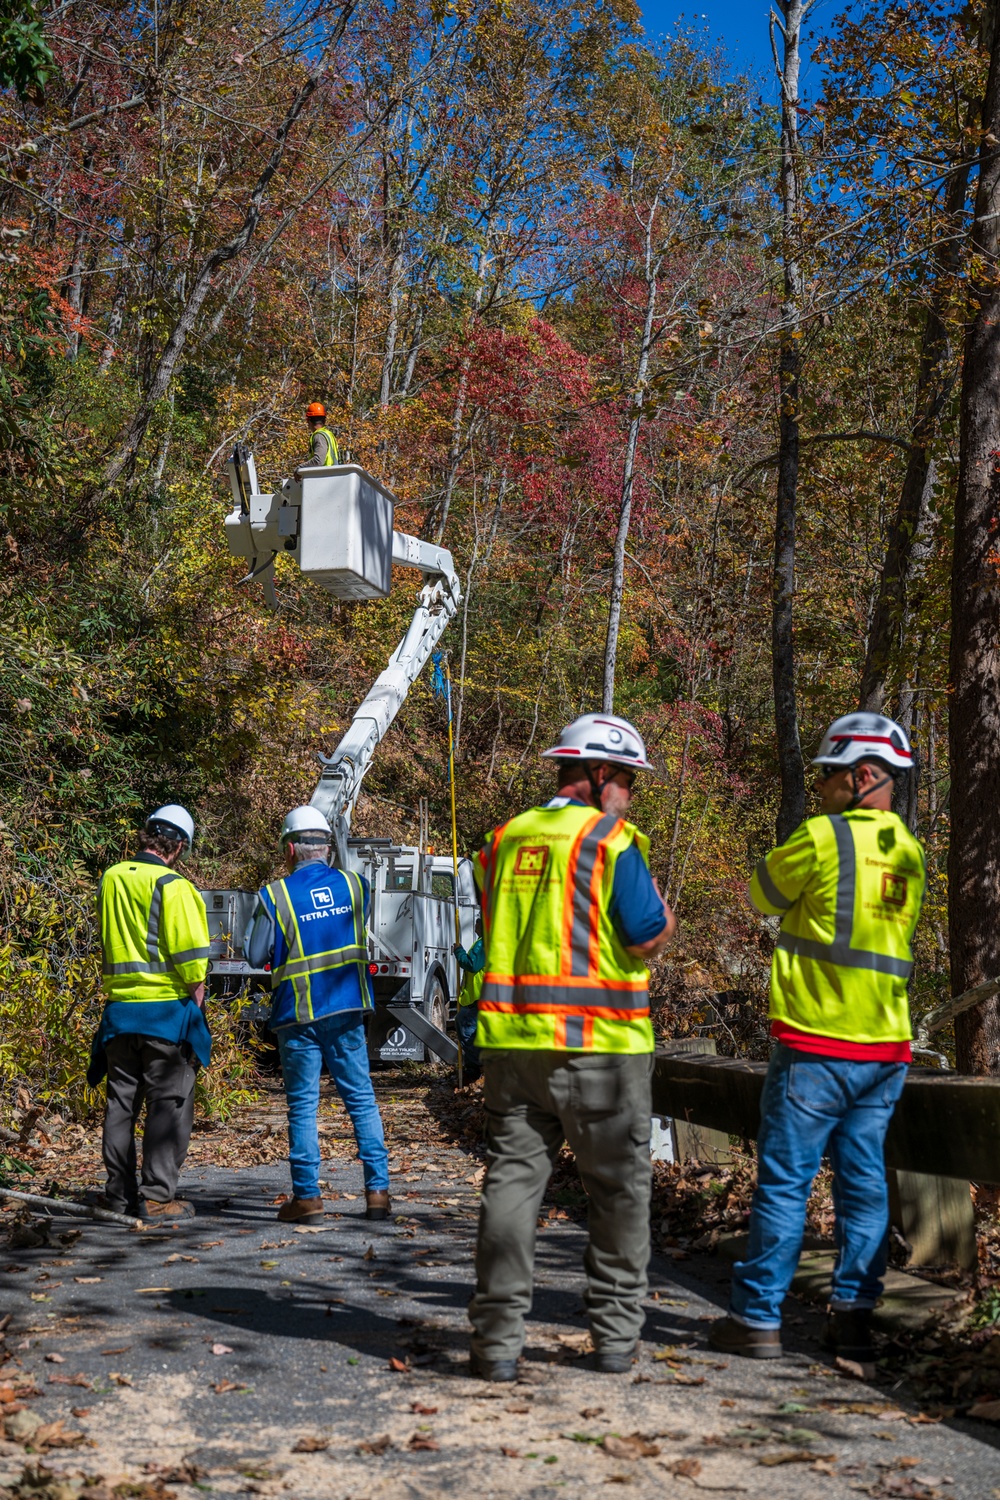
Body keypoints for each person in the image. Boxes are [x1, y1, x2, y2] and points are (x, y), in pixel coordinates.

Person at [709, 712, 926, 1366]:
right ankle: (855, 1319)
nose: (824, 788)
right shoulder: (911, 853)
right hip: (884, 1050)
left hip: (815, 1044)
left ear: (862, 777)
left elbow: (759, 895)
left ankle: (758, 1319)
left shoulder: (823, 839)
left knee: (785, 1182)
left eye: (830, 778)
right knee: (863, 1184)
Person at [468, 714, 676, 1381]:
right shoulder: (610, 841)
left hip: (510, 1048)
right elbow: (645, 934)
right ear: (600, 776)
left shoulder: (502, 841)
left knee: (511, 1187)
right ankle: (614, 1338)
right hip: (600, 1049)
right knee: (619, 1192)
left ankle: (497, 1342)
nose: (631, 796)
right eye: (629, 783)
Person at [244, 805, 390, 1222]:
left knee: (303, 1107)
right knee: (361, 1099)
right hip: (346, 1011)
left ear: (290, 849)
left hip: (298, 1016)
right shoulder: (356, 885)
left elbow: (257, 955)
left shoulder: (275, 896)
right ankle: (377, 1193)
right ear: (328, 848)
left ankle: (307, 1199)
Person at [88, 805, 212, 1221]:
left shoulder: (111, 877)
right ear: (178, 847)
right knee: (168, 1105)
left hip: (120, 1013)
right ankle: (158, 1197)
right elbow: (192, 961)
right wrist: (196, 998)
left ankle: (119, 1197)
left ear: (148, 836)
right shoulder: (175, 887)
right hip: (164, 1014)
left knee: (121, 1106)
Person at [454, 919, 485, 1084]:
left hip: (480, 997)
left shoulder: (484, 943)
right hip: (480, 997)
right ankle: (475, 1068)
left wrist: (459, 951)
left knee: (465, 1027)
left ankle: (478, 1066)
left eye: (478, 921)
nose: (475, 924)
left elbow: (471, 964)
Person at [296, 401, 339, 474]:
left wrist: (300, 468)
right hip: (332, 477)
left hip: (323, 478)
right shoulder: (328, 434)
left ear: (308, 421)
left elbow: (318, 461)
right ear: (324, 420)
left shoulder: (319, 436)